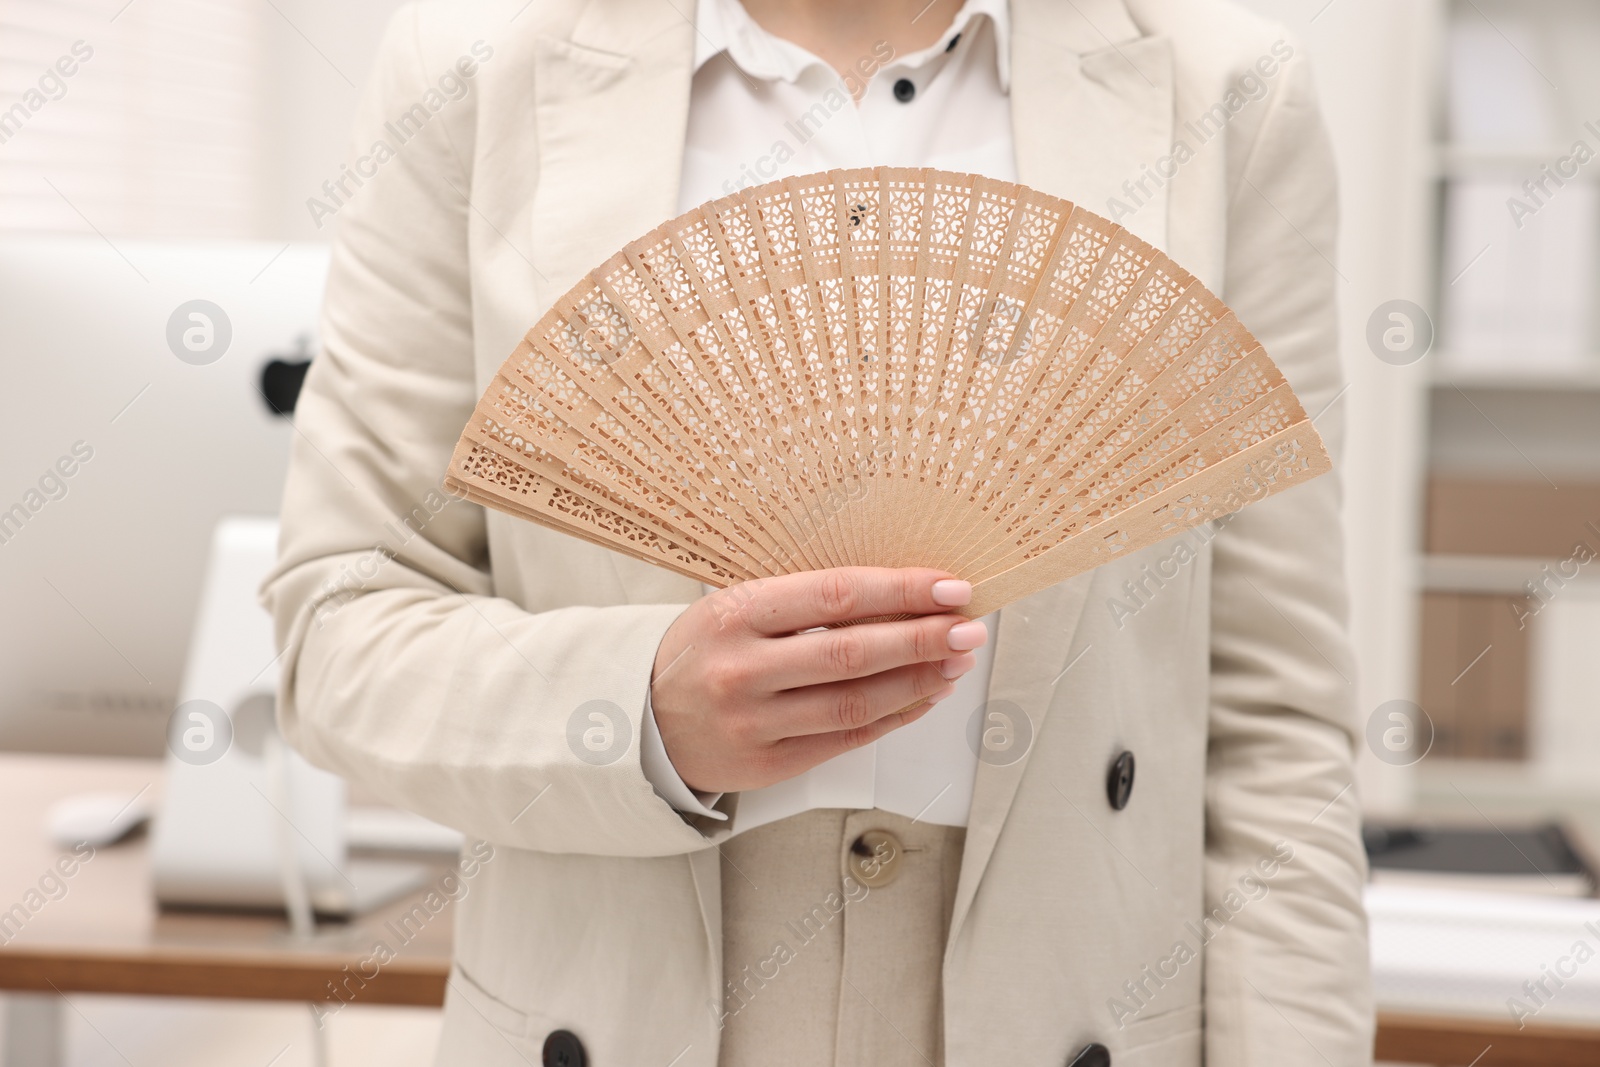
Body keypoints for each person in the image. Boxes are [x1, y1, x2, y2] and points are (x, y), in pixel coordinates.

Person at [261, 0, 1374, 1064]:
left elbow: (1273, 723)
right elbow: (338, 626)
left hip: (1063, 1004)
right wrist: (637, 710)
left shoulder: (1227, 92)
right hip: (624, 1006)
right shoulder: (469, 74)